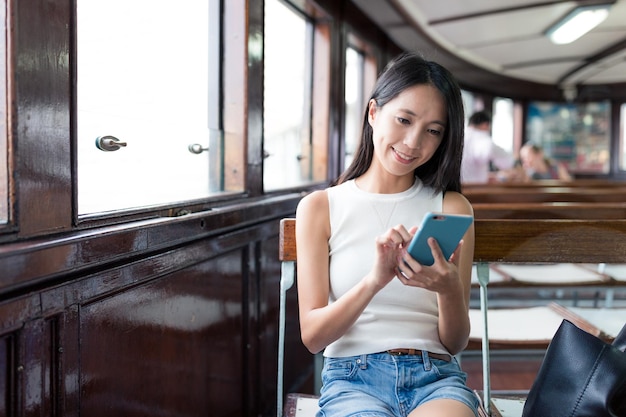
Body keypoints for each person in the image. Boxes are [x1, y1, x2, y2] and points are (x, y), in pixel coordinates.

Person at [295, 52, 478, 417]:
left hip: (436, 377)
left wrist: (447, 289)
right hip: (351, 379)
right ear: (373, 112)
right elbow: (313, 337)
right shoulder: (320, 207)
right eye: (403, 120)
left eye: (433, 131)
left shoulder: (453, 208)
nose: (413, 142)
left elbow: (454, 343)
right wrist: (375, 281)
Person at [461, 111, 514, 183]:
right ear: (485, 124)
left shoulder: (460, 136)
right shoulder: (482, 139)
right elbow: (507, 163)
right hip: (473, 189)